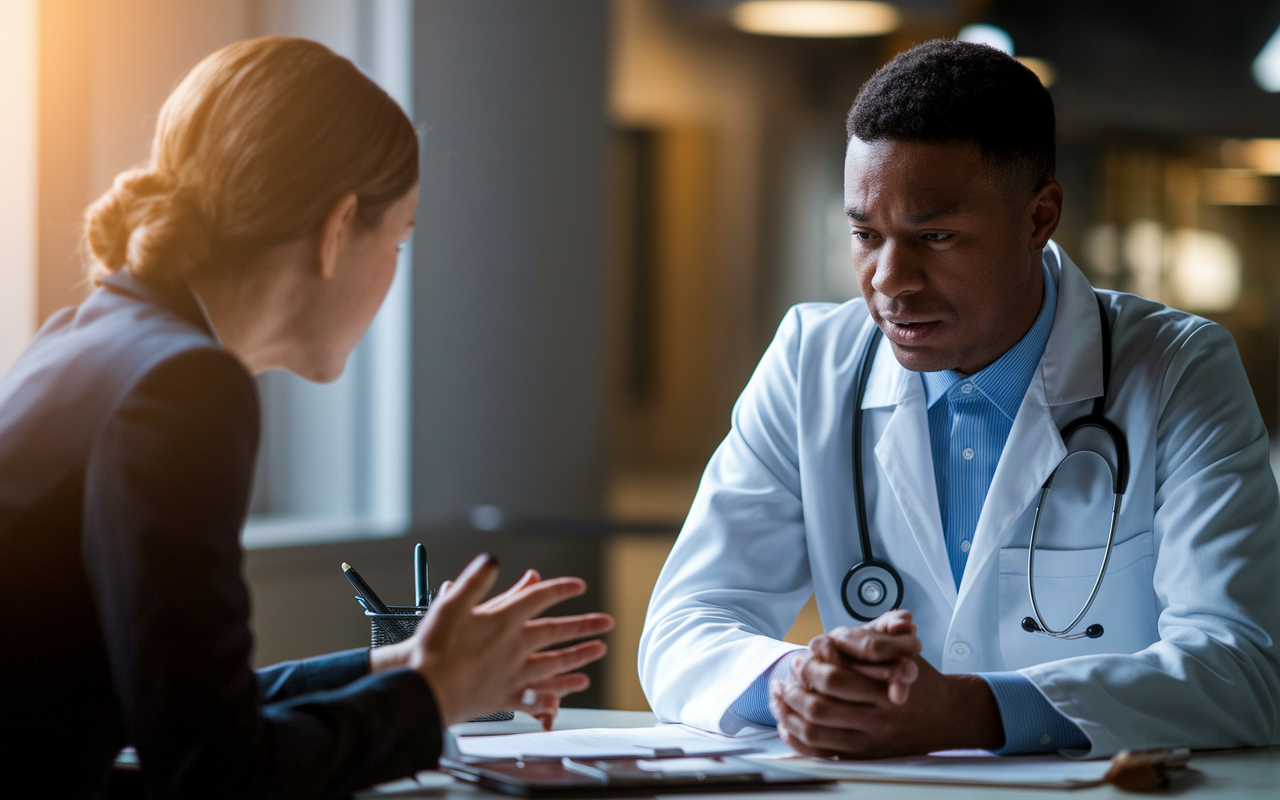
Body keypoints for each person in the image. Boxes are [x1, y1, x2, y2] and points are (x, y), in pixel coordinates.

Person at [0, 37, 613, 798]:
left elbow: (174, 708)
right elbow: (214, 770)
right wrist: (434, 701)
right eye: (400, 239)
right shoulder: (183, 386)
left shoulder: (84, 338)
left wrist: (401, 667)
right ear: (337, 230)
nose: (395, 270)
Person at [639, 39, 1280, 759]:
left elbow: (1242, 666)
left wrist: (976, 712)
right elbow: (684, 625)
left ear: (1040, 218)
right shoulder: (809, 362)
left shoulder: (1177, 367)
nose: (890, 280)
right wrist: (798, 679)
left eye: (935, 236)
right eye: (865, 234)